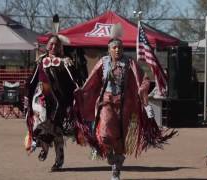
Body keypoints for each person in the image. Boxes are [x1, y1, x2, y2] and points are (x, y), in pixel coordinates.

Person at [74, 37, 176, 180]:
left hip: (125, 105)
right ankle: (108, 153)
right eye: (114, 47)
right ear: (109, 49)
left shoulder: (130, 62)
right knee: (104, 132)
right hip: (106, 101)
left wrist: (142, 90)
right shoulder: (103, 62)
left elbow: (144, 78)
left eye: (120, 47)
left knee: (121, 135)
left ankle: (116, 168)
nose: (117, 49)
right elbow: (92, 80)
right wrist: (82, 90)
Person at [24, 35, 84, 171]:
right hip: (42, 95)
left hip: (59, 101)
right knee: (40, 121)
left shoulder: (66, 62)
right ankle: (43, 144)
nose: (53, 47)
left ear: (60, 47)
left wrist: (77, 94)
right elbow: (32, 80)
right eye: (51, 44)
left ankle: (58, 161)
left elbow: (74, 81)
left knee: (57, 131)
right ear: (47, 46)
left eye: (56, 45)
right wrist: (27, 95)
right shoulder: (41, 61)